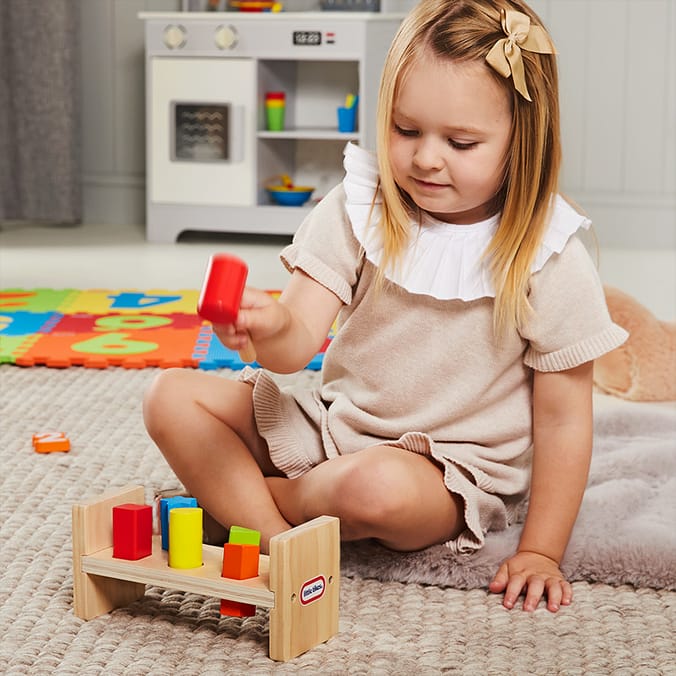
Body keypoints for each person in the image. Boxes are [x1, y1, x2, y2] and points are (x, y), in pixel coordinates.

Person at [144, 0, 628, 613]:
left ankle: (240, 507)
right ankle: (275, 543)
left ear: (521, 141)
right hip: (332, 427)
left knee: (376, 486)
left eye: (461, 141)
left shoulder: (546, 254)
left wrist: (541, 550)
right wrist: (267, 325)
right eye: (406, 130)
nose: (426, 158)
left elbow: (563, 421)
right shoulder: (360, 208)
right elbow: (294, 349)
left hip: (446, 473)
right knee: (171, 396)